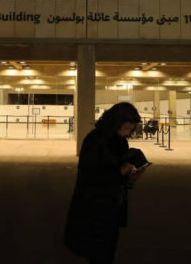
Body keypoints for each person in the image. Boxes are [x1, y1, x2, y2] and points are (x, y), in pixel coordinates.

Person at [64, 102, 148, 264]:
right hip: (94, 206)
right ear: (114, 122)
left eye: (130, 130)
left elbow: (121, 169)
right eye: (125, 128)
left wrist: (132, 175)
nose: (127, 133)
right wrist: (119, 172)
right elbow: (88, 176)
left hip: (112, 205)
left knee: (109, 247)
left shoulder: (120, 141)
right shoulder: (94, 140)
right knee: (97, 250)